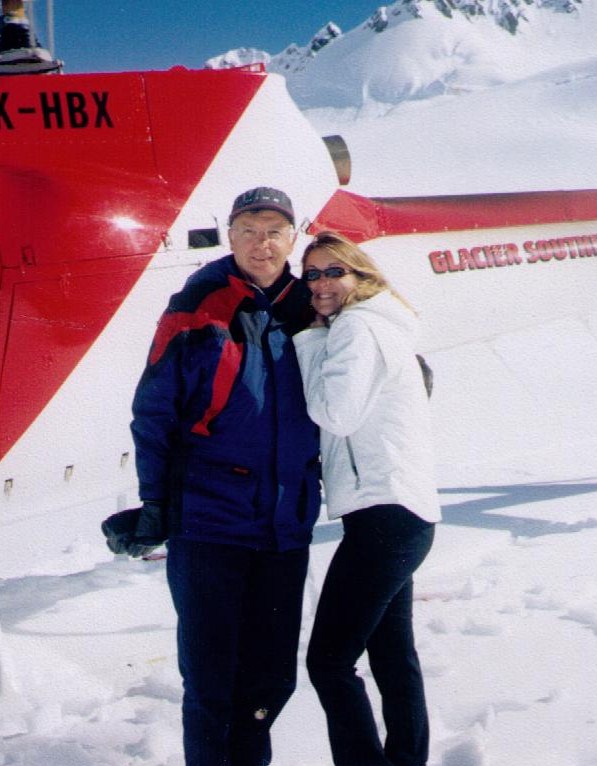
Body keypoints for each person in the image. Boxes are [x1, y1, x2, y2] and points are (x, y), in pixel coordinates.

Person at [103, 188, 321, 766]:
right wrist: (156, 503)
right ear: (230, 235)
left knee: (270, 684)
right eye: (249, 230)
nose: (262, 242)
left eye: (275, 230)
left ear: (293, 238)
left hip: (285, 526)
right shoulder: (198, 305)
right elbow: (154, 412)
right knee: (211, 686)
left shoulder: (313, 305)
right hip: (210, 524)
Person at [292, 231, 442, 766]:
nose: (322, 283)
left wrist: (308, 344)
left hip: (384, 515)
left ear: (362, 276)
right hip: (402, 513)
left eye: (335, 271)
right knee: (391, 655)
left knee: (329, 663)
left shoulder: (356, 328)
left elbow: (336, 414)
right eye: (311, 275)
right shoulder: (382, 324)